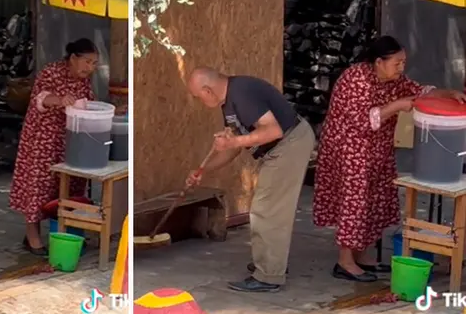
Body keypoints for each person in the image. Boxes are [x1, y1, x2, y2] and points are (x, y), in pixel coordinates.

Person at [313, 36, 466, 282]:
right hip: (350, 151)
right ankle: (345, 261)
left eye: (403, 63)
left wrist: (449, 94)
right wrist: (397, 105)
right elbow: (363, 121)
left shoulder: (394, 81)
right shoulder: (356, 79)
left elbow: (420, 92)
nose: (401, 68)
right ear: (378, 62)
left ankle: (363, 256)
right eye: (397, 63)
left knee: (375, 201)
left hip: (378, 150)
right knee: (355, 203)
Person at [186, 67, 315, 293]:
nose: (200, 101)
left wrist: (233, 142)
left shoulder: (242, 93)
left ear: (207, 90)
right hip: (282, 147)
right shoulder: (229, 102)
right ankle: (268, 264)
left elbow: (273, 131)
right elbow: (236, 145)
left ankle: (269, 275)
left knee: (267, 209)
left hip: (289, 144)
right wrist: (204, 170)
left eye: (198, 96)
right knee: (267, 207)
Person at [9, 38, 98, 256]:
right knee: (38, 187)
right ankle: (32, 238)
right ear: (73, 58)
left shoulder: (83, 80)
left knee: (68, 187)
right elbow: (42, 98)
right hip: (42, 141)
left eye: (94, 63)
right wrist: (59, 99)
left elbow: (88, 103)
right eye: (87, 62)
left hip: (69, 140)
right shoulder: (51, 72)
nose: (90, 68)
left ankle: (66, 235)